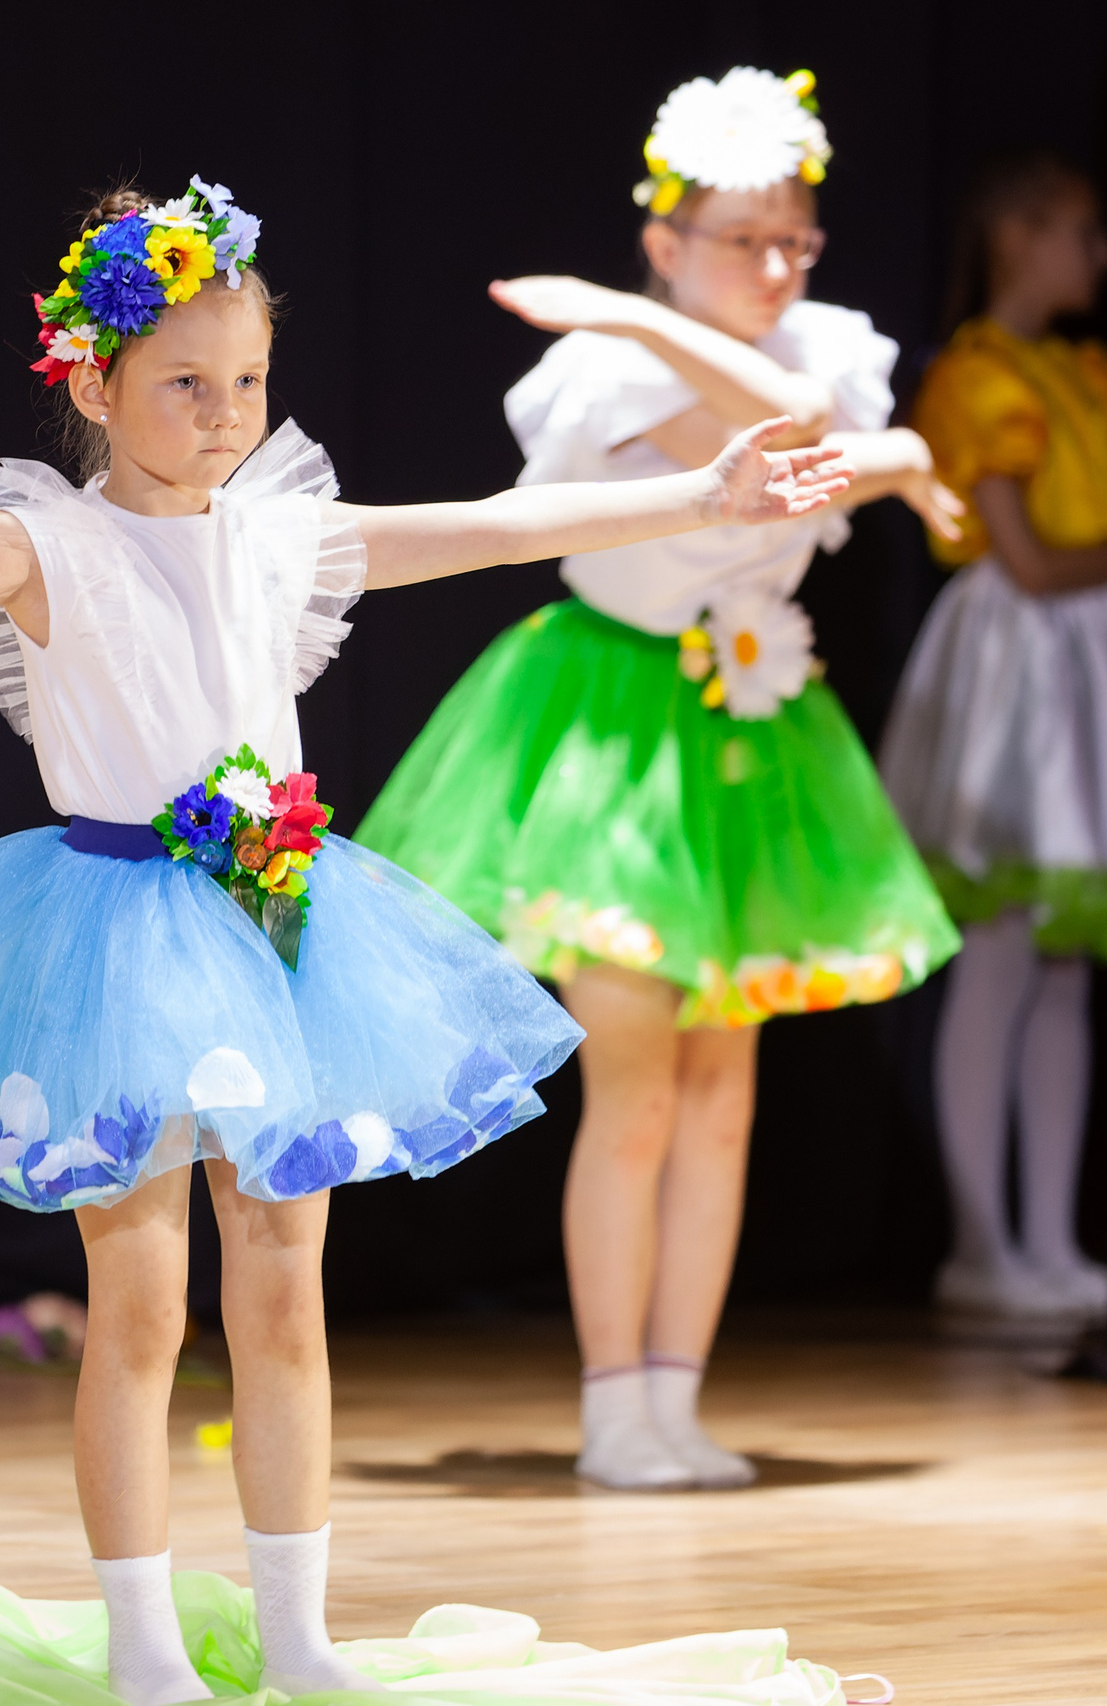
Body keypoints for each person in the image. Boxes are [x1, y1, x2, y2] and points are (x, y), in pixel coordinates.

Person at [0, 181, 854, 1706]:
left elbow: (501, 526)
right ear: (94, 381)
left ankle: (302, 1633)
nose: (225, 410)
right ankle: (142, 1646)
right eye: (187, 381)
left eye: (247, 379)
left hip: (276, 923)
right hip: (114, 939)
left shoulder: (276, 536)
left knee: (282, 1288)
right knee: (139, 1307)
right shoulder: (40, 545)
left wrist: (707, 494)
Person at [355, 70, 962, 1492]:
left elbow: (840, 434)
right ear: (668, 240)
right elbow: (799, 452)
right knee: (631, 1083)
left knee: (723, 1086)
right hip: (612, 725)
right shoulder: (605, 374)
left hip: (752, 724)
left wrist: (904, 452)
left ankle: (677, 1395)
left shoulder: (823, 348)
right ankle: (615, 1396)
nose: (775, 269)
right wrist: (646, 329)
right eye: (744, 241)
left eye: (795, 243)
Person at [876, 149, 1107, 1322]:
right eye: (1080, 231)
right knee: (1004, 951)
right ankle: (981, 1241)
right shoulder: (981, 379)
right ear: (1017, 236)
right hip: (1024, 668)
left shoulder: (1083, 370)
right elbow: (1026, 560)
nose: (1102, 256)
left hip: (1089, 662)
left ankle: (1049, 1236)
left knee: (1065, 966)